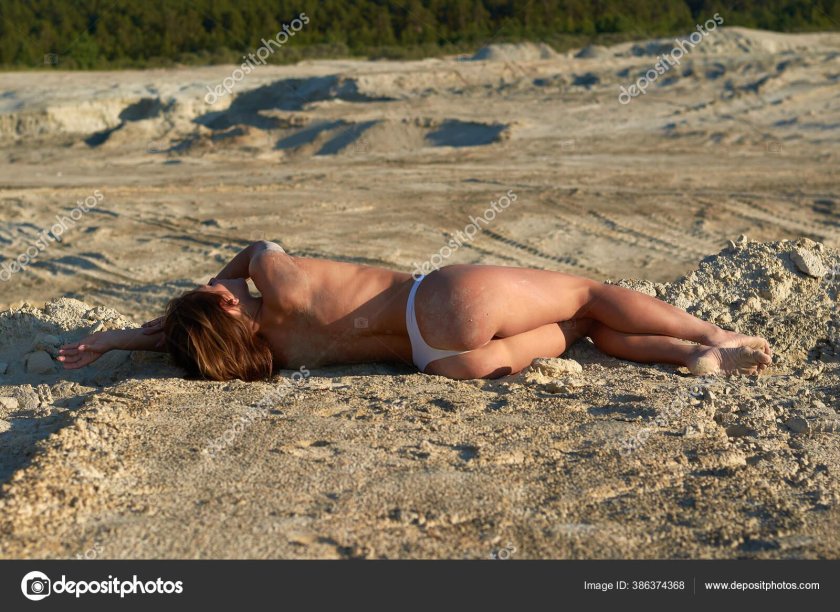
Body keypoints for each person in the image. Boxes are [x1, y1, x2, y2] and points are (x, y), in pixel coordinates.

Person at [58, 240, 772, 381]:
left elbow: (190, 343)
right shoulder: (279, 283)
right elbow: (253, 246)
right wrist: (204, 290)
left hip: (447, 363)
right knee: (588, 295)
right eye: (220, 299)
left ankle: (690, 358)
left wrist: (129, 340)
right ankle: (712, 333)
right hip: (443, 302)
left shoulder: (258, 357)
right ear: (222, 301)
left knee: (582, 333)